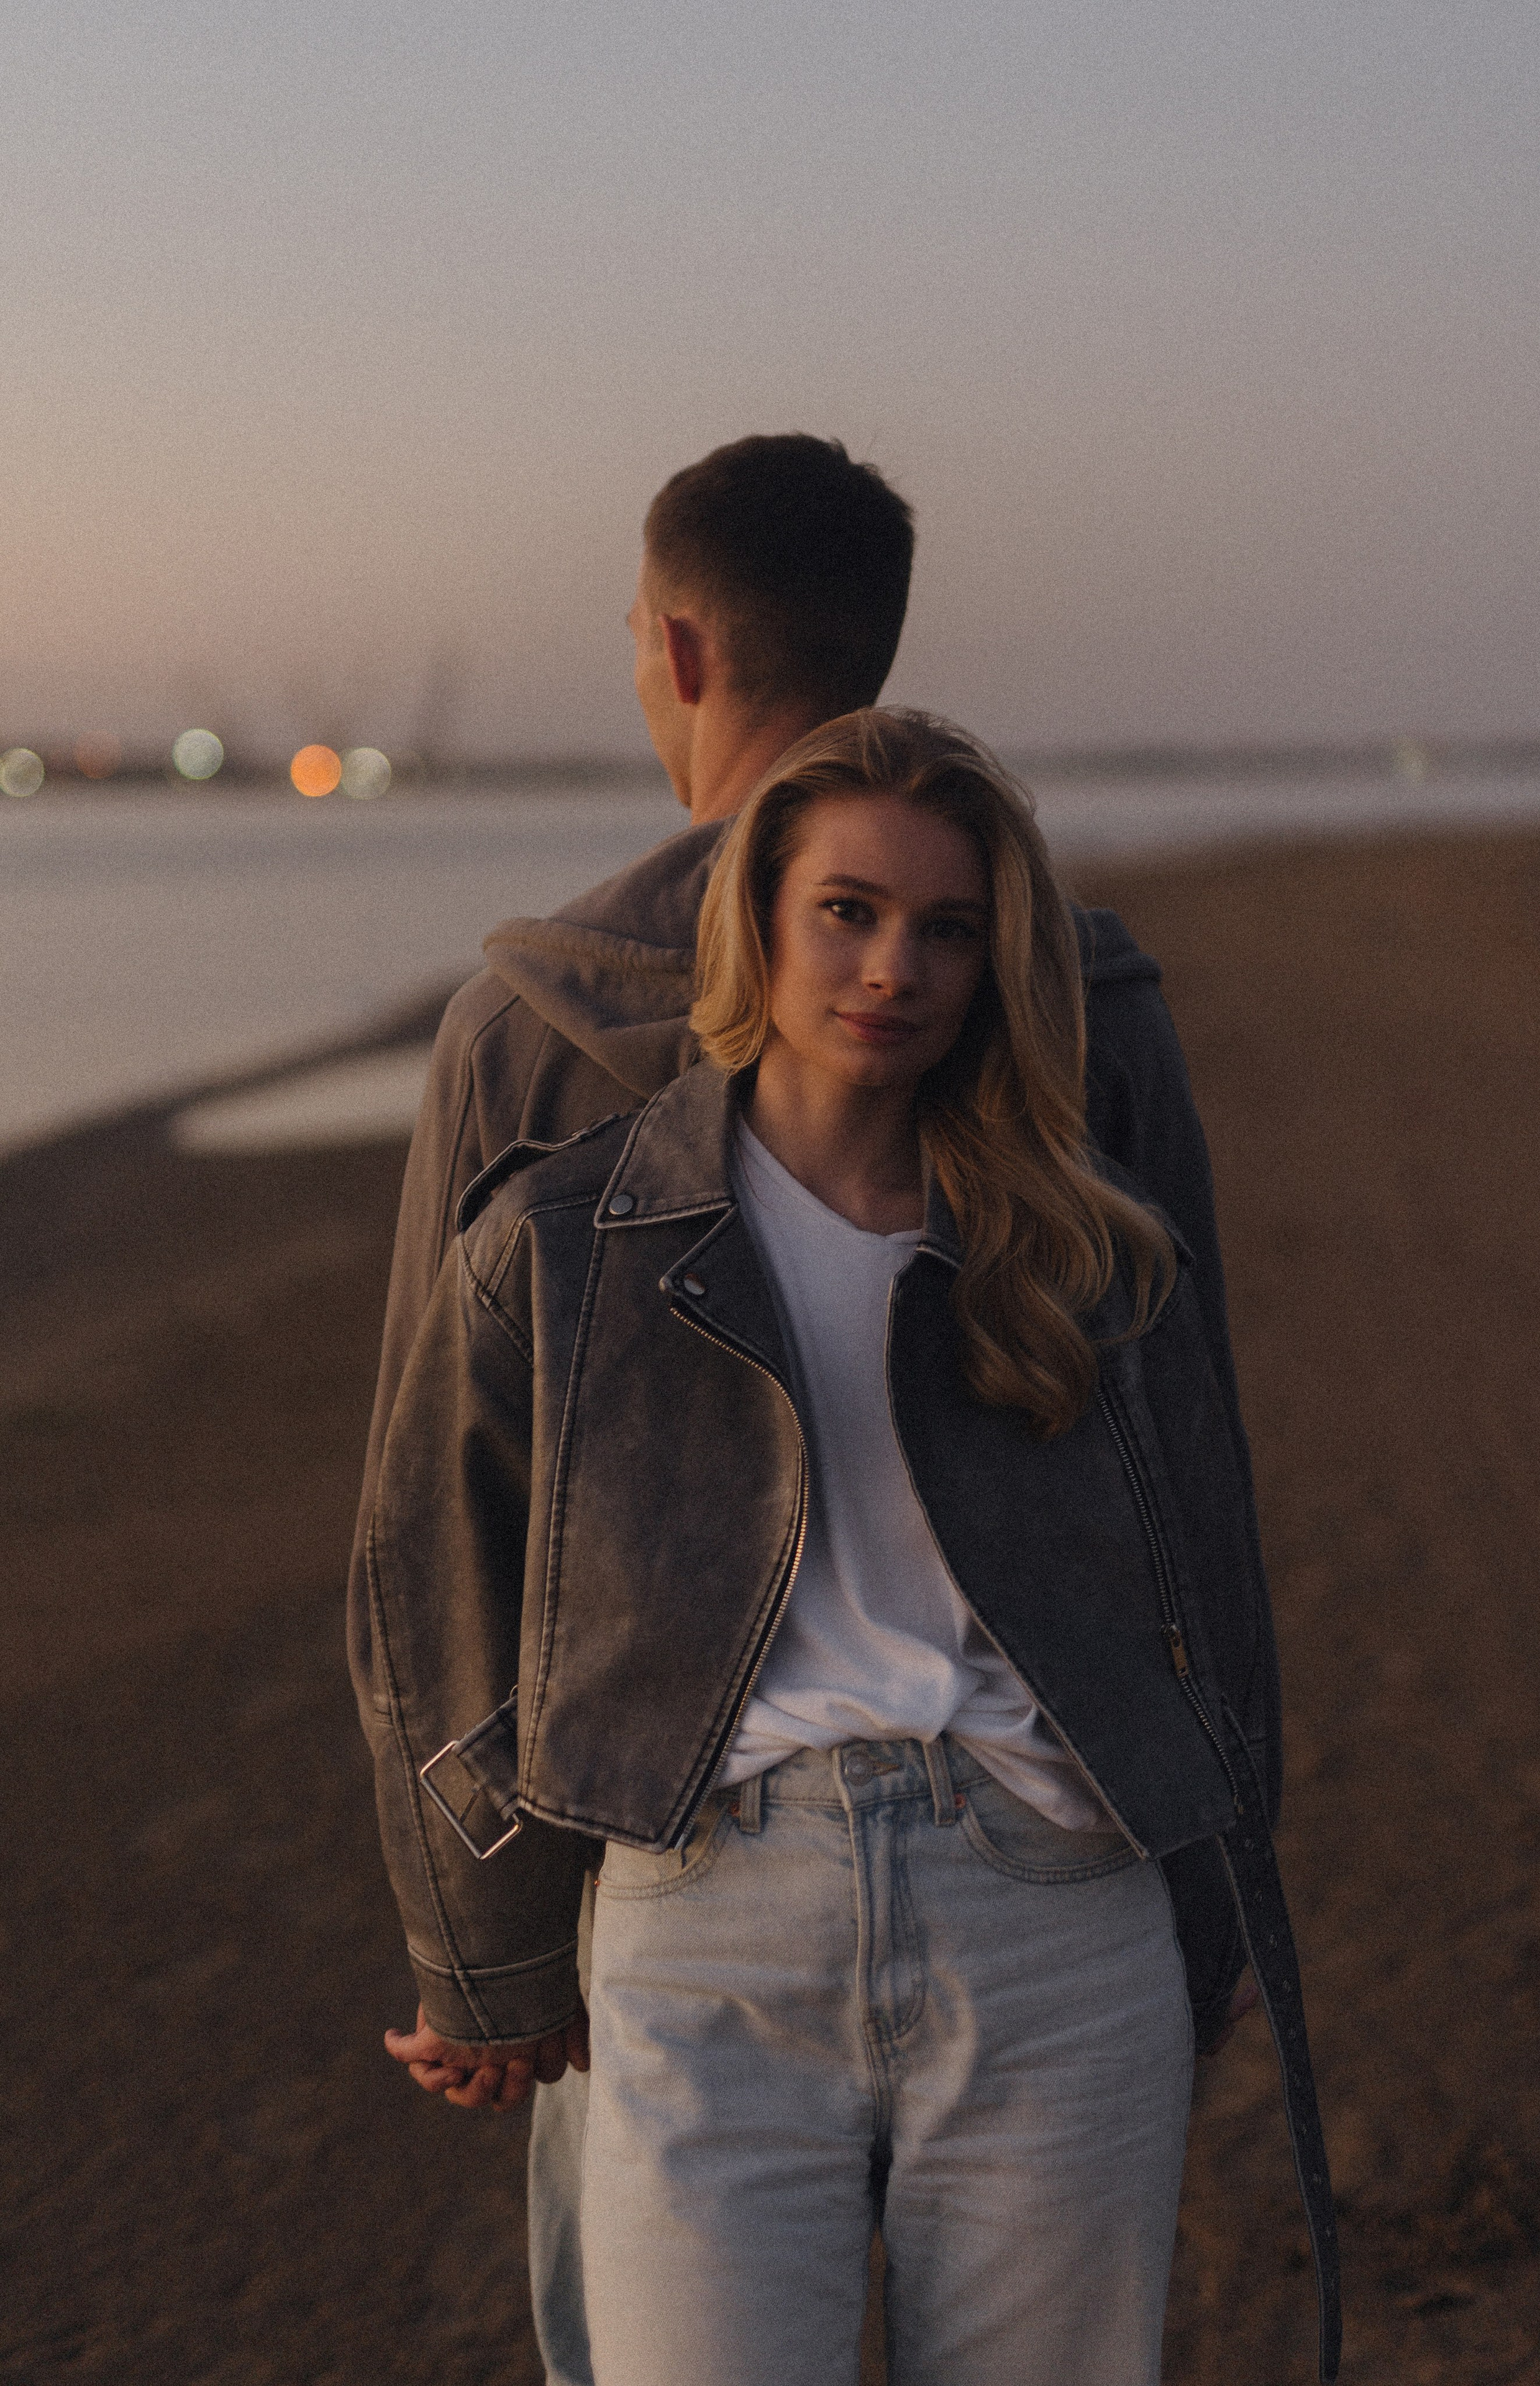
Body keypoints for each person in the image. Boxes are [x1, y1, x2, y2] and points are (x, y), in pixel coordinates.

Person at [349, 437, 1286, 2380]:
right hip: (714, 1889)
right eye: (847, 918)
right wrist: (1218, 1874)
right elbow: (1200, 1518)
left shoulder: (523, 1017)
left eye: (934, 930)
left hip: (939, 1873)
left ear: (680, 648)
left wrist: (484, 1952)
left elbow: (435, 1538)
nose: (894, 973)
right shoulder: (1099, 994)